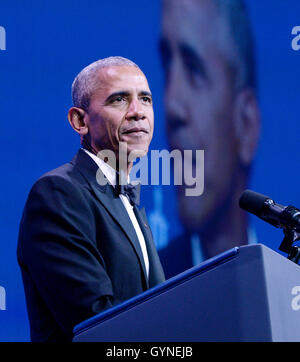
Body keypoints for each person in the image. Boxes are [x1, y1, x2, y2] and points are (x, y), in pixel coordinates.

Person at [17, 56, 165, 342]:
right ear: (80, 120)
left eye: (145, 99)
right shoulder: (58, 193)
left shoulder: (126, 199)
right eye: (119, 100)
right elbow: (96, 322)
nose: (138, 112)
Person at [158, 0, 261, 278]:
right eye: (168, 66)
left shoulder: (289, 286)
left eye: (194, 69)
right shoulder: (142, 293)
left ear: (246, 124)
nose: (170, 105)